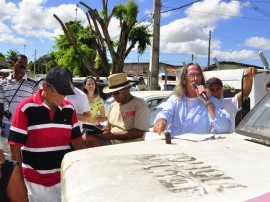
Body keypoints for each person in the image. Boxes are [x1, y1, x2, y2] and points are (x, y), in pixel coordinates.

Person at [8, 67, 87, 202]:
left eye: (65, 93)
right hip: (36, 185)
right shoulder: (26, 108)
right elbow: (14, 147)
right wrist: (19, 181)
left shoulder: (69, 109)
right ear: (45, 86)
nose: (63, 97)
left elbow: (77, 142)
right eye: (59, 93)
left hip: (65, 181)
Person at [153, 63, 232, 137]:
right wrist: (162, 120)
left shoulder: (212, 101)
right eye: (191, 75)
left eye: (199, 75)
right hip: (175, 146)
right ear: (185, 79)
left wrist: (208, 103)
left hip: (197, 149)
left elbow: (224, 128)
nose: (196, 79)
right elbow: (166, 112)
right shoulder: (175, 99)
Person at [84, 73, 151, 147]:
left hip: (130, 147)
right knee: (86, 137)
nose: (114, 96)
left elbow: (139, 133)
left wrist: (112, 135)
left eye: (116, 92)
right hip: (112, 144)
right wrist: (100, 131)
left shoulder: (139, 104)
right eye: (112, 93)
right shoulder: (113, 106)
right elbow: (108, 128)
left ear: (127, 88)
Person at [0, 54, 39, 153]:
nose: (23, 65)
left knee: (24, 151)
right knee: (9, 152)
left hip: (25, 124)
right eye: (20, 62)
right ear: (13, 64)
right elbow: (0, 104)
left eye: (25, 63)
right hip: (7, 123)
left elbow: (37, 105)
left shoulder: (33, 84)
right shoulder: (3, 83)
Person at [206, 67, 258, 133]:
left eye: (218, 89)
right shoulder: (202, 105)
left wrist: (249, 77)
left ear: (223, 89)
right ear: (206, 91)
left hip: (228, 141)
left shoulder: (231, 103)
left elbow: (245, 92)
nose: (215, 92)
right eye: (212, 90)